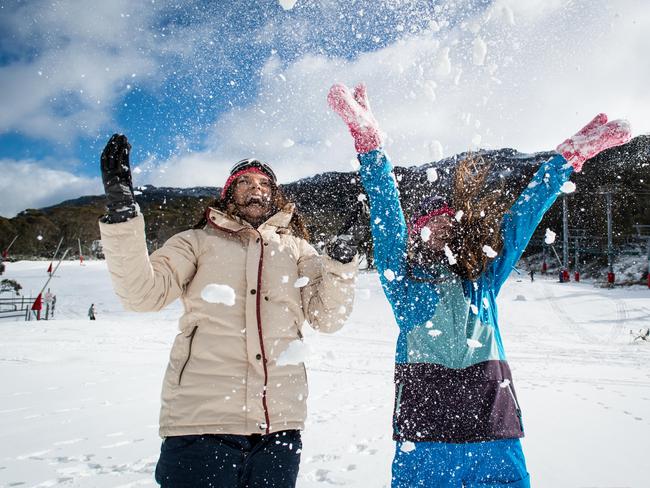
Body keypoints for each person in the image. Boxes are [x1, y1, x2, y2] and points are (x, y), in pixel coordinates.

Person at [328, 82, 631, 487]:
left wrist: (566, 159)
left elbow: (523, 217)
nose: (436, 224)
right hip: (425, 433)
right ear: (414, 234)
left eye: (444, 218)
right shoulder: (403, 282)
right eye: (425, 221)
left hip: (494, 427)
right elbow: (385, 208)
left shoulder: (482, 280)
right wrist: (369, 146)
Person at [97, 134, 359, 488]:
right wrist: (123, 216)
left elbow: (327, 318)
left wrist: (341, 266)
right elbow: (141, 294)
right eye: (246, 181)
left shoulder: (298, 250)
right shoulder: (197, 241)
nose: (257, 189)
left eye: (265, 183)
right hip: (201, 426)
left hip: (278, 430)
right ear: (228, 192)